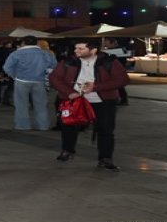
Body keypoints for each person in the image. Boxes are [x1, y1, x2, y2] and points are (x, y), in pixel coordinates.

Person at [48, 40, 129, 171]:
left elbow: (123, 79)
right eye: (75, 48)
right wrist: (70, 93)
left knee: (105, 130)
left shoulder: (108, 62)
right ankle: (67, 151)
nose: (76, 51)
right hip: (73, 100)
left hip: (102, 101)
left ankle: (105, 158)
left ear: (93, 50)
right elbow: (54, 78)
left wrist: (96, 87)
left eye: (81, 48)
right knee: (68, 126)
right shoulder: (69, 61)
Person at [3, 35, 57, 131]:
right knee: (41, 105)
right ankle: (43, 125)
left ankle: (23, 125)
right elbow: (53, 66)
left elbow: (7, 67)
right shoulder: (46, 54)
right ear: (36, 43)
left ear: (23, 43)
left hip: (21, 81)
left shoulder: (16, 54)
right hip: (39, 81)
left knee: (21, 105)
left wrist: (15, 76)